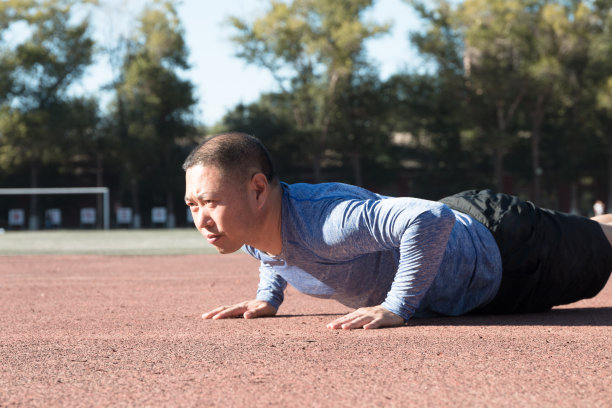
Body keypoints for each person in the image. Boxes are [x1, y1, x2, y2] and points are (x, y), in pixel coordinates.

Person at [183, 132, 612, 330]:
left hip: (507, 248)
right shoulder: (248, 230)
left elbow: (429, 219)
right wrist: (268, 297)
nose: (202, 219)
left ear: (258, 189)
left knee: (603, 244)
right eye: (193, 205)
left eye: (211, 202)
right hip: (475, 280)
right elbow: (275, 251)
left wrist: (396, 306)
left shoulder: (327, 223)